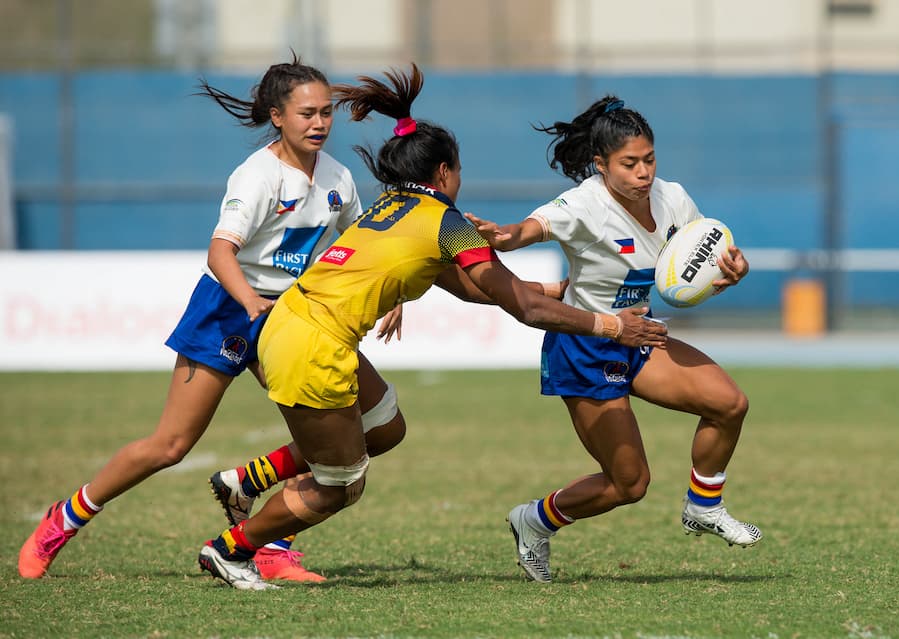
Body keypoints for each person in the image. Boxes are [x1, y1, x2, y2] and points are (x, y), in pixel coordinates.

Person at [195, 64, 666, 590]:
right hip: (312, 345)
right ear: (444, 173)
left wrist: (558, 293)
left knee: (386, 426)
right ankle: (230, 549)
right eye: (459, 170)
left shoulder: (393, 206)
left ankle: (249, 480)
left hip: (295, 324)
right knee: (340, 484)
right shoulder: (448, 223)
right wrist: (607, 325)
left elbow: (475, 288)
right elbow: (522, 310)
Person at [18, 55, 406, 583]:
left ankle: (268, 538)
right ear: (276, 116)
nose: (318, 123)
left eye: (326, 113)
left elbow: (361, 244)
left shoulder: (337, 177)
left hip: (293, 320)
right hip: (228, 310)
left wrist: (393, 293)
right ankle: (62, 519)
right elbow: (220, 251)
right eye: (306, 113)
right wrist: (249, 302)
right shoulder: (257, 176)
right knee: (171, 446)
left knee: (371, 430)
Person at [465, 95, 763, 584]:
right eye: (629, 164)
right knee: (629, 484)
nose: (643, 172)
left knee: (730, 403)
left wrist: (731, 270)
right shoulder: (584, 204)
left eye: (649, 159)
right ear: (601, 165)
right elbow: (530, 229)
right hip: (584, 346)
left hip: (640, 334)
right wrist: (503, 237)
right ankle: (534, 519)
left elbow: (703, 256)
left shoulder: (674, 198)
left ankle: (704, 505)